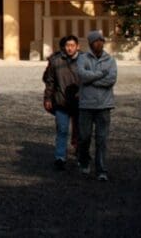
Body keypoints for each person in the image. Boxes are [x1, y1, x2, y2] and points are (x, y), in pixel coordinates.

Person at [77, 30, 118, 181]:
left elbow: (111, 80)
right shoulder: (82, 58)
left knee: (102, 139)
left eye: (101, 40)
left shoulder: (110, 60)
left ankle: (101, 169)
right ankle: (84, 161)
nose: (99, 43)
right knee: (84, 136)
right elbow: (82, 75)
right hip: (86, 104)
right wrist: (101, 74)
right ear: (90, 43)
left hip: (104, 105)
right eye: (96, 41)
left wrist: (91, 79)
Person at [43, 35, 82, 170]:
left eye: (72, 45)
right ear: (64, 47)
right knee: (62, 130)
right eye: (67, 45)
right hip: (61, 101)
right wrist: (47, 98)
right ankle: (60, 157)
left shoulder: (84, 61)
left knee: (80, 130)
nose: (70, 48)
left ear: (78, 46)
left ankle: (80, 153)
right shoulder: (56, 61)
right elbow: (50, 82)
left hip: (79, 102)